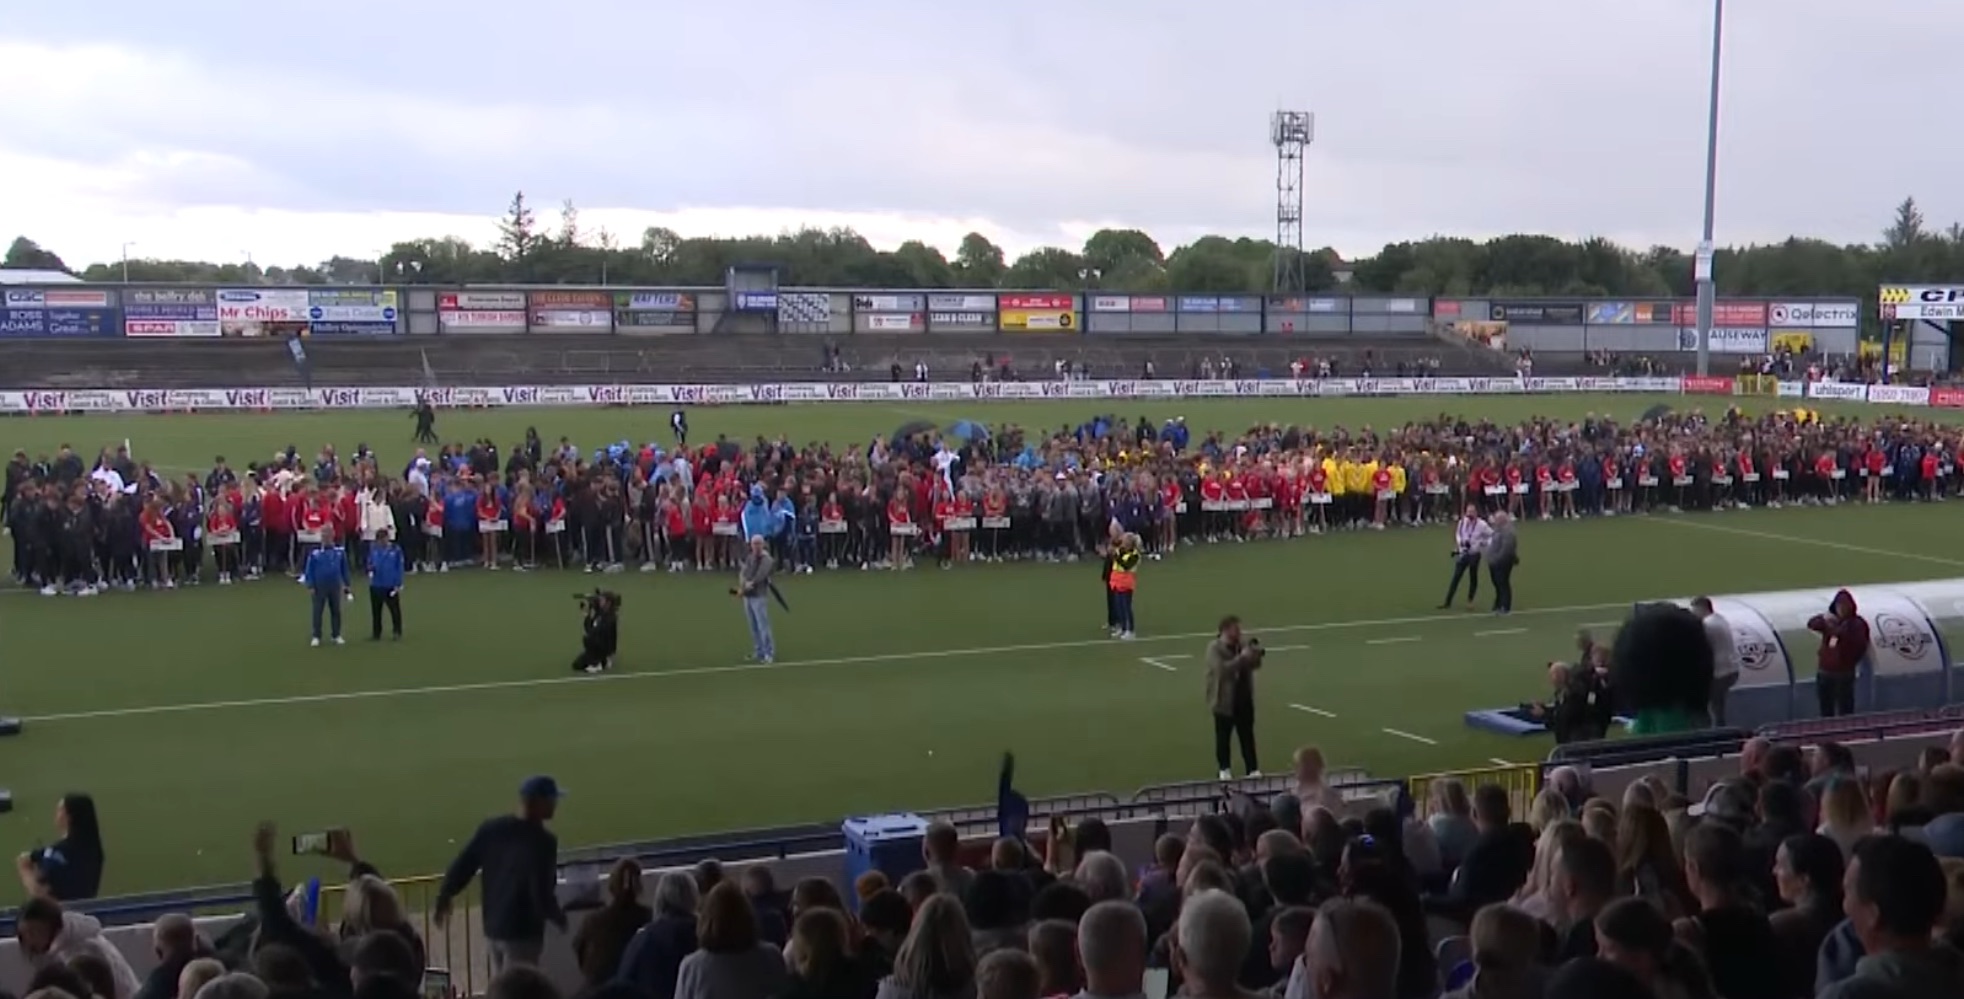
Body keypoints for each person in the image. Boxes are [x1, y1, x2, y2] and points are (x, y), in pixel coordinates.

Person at [434, 776, 567, 973]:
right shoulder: (543, 841)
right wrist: (560, 918)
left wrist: (445, 894)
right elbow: (540, 891)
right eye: (552, 799)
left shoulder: (492, 829)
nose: (555, 804)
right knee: (518, 986)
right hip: (522, 933)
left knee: (503, 983)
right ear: (539, 802)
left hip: (493, 928)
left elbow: (464, 864)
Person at [1205, 615, 1265, 780]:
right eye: (1236, 629)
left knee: (1247, 736)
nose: (1239, 632)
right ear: (1225, 630)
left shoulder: (1242, 645)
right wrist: (1242, 658)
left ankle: (1252, 768)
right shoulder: (1214, 648)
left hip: (1243, 699)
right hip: (1223, 700)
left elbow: (1256, 665)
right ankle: (1224, 769)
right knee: (1223, 737)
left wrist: (1254, 655)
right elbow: (1222, 670)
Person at [15, 793, 105, 902]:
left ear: (68, 817)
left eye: (60, 810)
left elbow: (41, 889)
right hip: (86, 908)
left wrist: (27, 873)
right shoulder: (93, 850)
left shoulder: (58, 852)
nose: (56, 814)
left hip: (55, 910)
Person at [1808, 589, 1870, 718]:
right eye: (1839, 606)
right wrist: (1825, 619)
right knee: (1826, 708)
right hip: (1825, 671)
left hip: (1844, 673)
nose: (1842, 610)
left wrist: (1832, 628)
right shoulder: (1831, 621)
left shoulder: (1856, 624)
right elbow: (1812, 624)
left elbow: (1857, 642)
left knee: (1845, 709)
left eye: (1844, 607)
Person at [1691, 597, 1738, 725]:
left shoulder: (1707, 625)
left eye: (1695, 610)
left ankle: (1716, 732)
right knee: (1718, 705)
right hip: (1731, 669)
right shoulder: (1720, 619)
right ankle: (1719, 729)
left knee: (1713, 708)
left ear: (1702, 609)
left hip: (1719, 672)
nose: (1694, 614)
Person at [301, 526, 350, 647]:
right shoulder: (315, 553)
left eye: (328, 535)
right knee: (317, 611)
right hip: (319, 586)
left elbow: (345, 570)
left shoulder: (340, 552)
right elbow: (309, 570)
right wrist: (310, 585)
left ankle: (336, 635)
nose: (326, 538)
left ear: (333, 536)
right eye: (324, 535)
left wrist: (347, 585)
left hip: (335, 585)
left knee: (336, 611)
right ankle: (316, 636)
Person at [1440, 504, 1491, 609]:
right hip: (1463, 553)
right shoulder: (1462, 522)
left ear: (1476, 513)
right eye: (1468, 512)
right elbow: (1458, 534)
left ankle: (1470, 600)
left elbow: (1491, 535)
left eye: (1472, 512)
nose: (1470, 514)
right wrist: (1461, 543)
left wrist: (1482, 543)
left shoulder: (1482, 525)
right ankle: (1447, 601)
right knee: (1456, 577)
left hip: (1474, 553)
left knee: (1473, 577)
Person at [734, 534, 776, 664]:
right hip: (748, 597)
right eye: (754, 544)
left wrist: (748, 585)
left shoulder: (767, 559)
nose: (756, 546)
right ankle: (759, 651)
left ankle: (768, 652)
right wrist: (743, 585)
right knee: (753, 626)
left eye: (758, 543)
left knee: (763, 625)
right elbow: (744, 572)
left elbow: (760, 575)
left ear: (763, 545)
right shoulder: (750, 557)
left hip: (759, 596)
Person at [366, 528, 405, 641]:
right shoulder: (374, 550)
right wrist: (370, 569)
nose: (382, 542)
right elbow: (369, 562)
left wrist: (398, 582)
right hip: (376, 585)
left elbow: (399, 567)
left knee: (395, 610)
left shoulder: (395, 550)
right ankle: (376, 633)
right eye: (379, 540)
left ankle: (397, 631)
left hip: (390, 585)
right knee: (376, 611)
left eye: (383, 539)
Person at [571, 590, 620, 675]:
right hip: (596, 647)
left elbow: (595, 632)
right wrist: (587, 615)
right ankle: (599, 660)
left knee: (588, 639)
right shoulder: (600, 614)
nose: (600, 602)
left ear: (608, 603)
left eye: (602, 600)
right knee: (577, 665)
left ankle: (599, 663)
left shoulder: (610, 618)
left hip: (604, 647)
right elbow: (589, 628)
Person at [1107, 533, 1142, 640]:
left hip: (1126, 584)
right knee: (1119, 607)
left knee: (1126, 607)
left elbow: (1126, 566)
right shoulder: (1121, 551)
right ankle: (1122, 628)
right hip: (1117, 583)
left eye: (1125, 541)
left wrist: (1116, 556)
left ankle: (1130, 630)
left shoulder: (1134, 555)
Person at [1485, 511, 1519, 614]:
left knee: (1502, 583)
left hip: (1502, 563)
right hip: (1494, 562)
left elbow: (1506, 549)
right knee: (1497, 584)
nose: (1495, 521)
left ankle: (1505, 606)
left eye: (1496, 519)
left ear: (1502, 520)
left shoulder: (1508, 532)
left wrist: (1496, 559)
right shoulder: (1497, 529)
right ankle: (1498, 604)